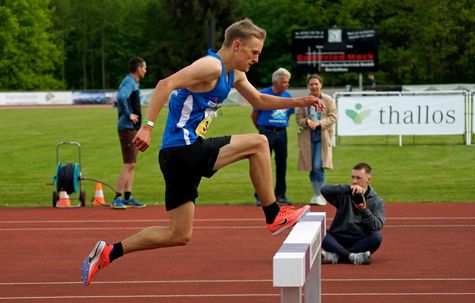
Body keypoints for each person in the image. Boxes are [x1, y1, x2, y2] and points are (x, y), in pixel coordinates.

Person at [81, 18, 325, 286]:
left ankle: (108, 252)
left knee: (179, 234)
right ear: (236, 45)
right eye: (254, 52)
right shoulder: (211, 66)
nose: (256, 59)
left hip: (176, 156)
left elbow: (258, 100)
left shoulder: (235, 74)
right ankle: (274, 215)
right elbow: (165, 84)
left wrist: (300, 100)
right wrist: (148, 127)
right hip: (184, 149)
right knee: (259, 143)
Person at [320, 162, 384, 265]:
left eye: (358, 178)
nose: (354, 181)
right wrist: (348, 188)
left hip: (359, 240)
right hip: (337, 237)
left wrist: (364, 210)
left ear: (369, 179)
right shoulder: (345, 193)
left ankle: (336, 256)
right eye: (353, 177)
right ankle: (352, 256)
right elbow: (324, 190)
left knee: (377, 237)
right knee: (318, 231)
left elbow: (377, 225)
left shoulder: (377, 201)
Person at [251, 67, 294, 206]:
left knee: (282, 164)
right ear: (276, 81)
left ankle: (281, 194)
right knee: (263, 165)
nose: (286, 85)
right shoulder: (263, 94)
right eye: (284, 82)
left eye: (287, 82)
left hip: (282, 132)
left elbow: (289, 114)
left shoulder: (288, 96)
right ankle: (260, 196)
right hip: (266, 131)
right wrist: (263, 129)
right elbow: (255, 115)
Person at [112, 56, 147, 209]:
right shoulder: (129, 82)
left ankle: (127, 197)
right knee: (129, 163)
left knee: (132, 164)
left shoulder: (132, 83)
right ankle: (117, 197)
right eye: (144, 67)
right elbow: (121, 97)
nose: (146, 70)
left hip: (132, 128)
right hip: (126, 128)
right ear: (138, 68)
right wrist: (129, 114)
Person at [295, 74, 337, 206]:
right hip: (308, 138)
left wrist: (319, 123)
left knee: (318, 166)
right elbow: (298, 118)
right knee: (311, 167)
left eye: (316, 84)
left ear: (321, 85)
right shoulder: (304, 101)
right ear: (308, 86)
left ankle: (322, 195)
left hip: (322, 138)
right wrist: (307, 121)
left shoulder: (328, 99)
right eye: (311, 84)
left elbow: (333, 116)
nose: (314, 86)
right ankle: (316, 194)